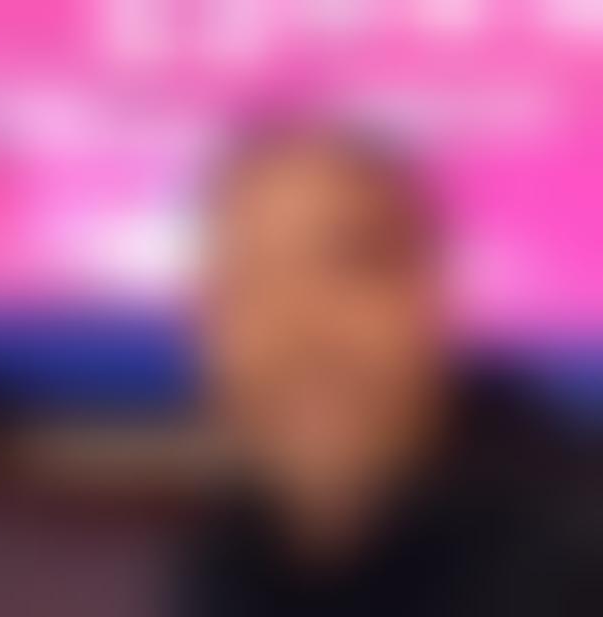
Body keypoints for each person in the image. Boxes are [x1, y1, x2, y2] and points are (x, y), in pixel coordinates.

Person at [172, 124, 600, 616]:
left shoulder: (575, 547)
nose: (298, 330)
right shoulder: (226, 562)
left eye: (349, 267)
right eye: (249, 285)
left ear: (432, 295)